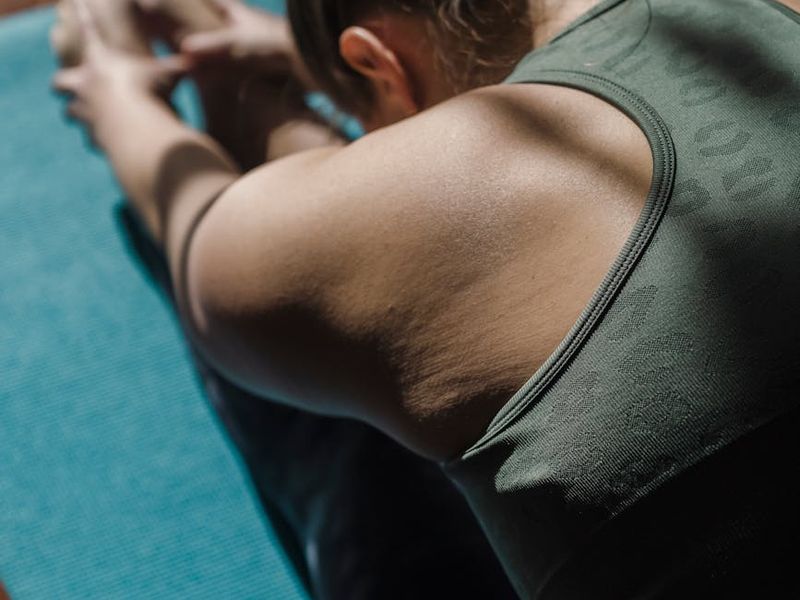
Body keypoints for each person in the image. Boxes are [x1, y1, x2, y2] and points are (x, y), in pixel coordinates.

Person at [54, 0, 800, 597]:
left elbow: (202, 231)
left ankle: (261, 107)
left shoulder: (475, 185)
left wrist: (115, 92)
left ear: (376, 61)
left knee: (350, 420)